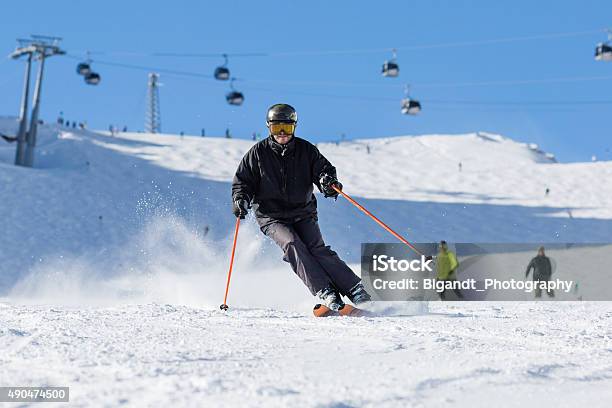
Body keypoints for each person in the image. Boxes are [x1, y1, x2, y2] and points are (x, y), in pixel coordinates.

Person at [231, 104, 371, 311]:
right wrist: (240, 199)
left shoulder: (306, 150)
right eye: (276, 128)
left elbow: (323, 170)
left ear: (294, 127)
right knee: (293, 244)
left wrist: (328, 182)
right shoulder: (257, 153)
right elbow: (243, 182)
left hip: (302, 212)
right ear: (268, 127)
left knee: (317, 248)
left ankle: (354, 288)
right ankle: (325, 290)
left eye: (286, 128)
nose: (281, 134)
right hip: (271, 216)